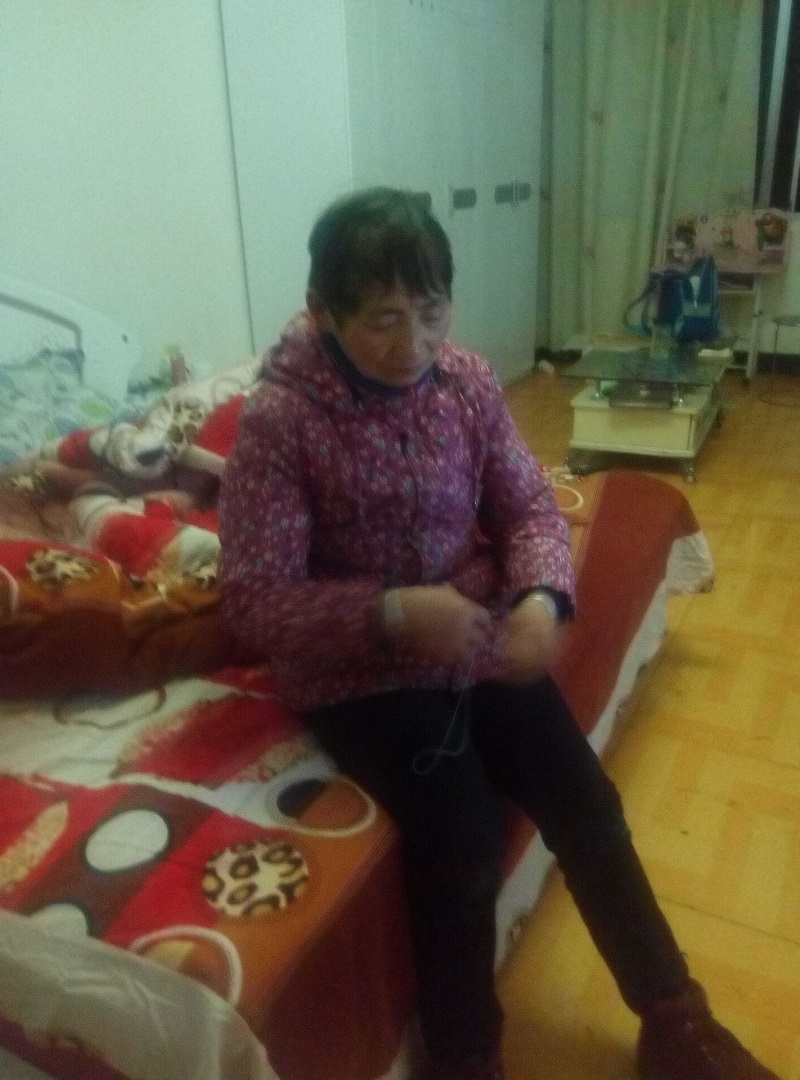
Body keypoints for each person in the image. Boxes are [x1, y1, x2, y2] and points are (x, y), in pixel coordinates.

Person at [218, 188, 778, 1080]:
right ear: (322, 311)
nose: (414, 345)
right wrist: (392, 612)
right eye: (383, 320)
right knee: (463, 838)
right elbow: (253, 599)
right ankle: (467, 1057)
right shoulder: (281, 420)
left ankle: (674, 1015)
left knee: (585, 801)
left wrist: (543, 599)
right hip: (360, 674)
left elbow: (529, 510)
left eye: (432, 311)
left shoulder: (468, 383)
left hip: (475, 639)